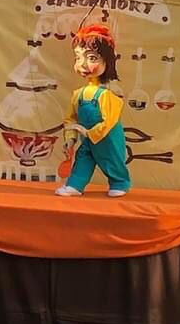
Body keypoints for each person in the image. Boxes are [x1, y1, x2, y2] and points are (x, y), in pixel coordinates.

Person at [55, 23, 130, 198]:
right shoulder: (78, 94)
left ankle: (120, 182)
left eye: (91, 58)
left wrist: (89, 133)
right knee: (83, 160)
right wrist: (71, 138)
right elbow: (71, 119)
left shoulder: (108, 95)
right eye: (78, 58)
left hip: (108, 140)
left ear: (107, 61)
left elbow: (109, 121)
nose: (82, 64)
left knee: (113, 162)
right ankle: (75, 185)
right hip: (87, 140)